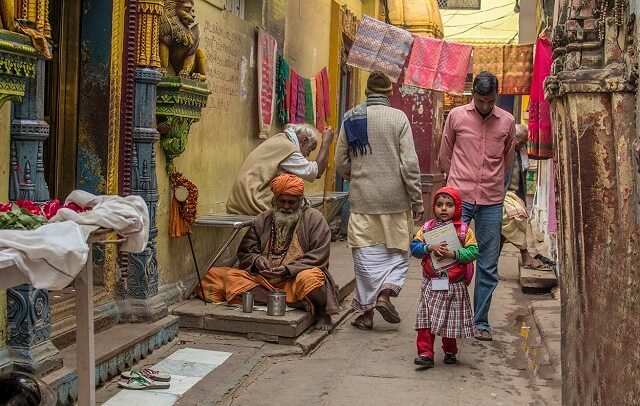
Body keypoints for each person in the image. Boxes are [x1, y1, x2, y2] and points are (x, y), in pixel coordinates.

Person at [335, 71, 424, 330]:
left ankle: (366, 314)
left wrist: (358, 176)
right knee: (397, 252)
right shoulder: (398, 118)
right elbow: (409, 164)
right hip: (395, 201)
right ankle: (385, 294)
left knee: (364, 255)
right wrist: (417, 201)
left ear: (366, 93)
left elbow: (341, 161)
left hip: (363, 200)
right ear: (389, 93)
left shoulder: (352, 117)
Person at [200, 174, 339, 330]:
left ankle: (321, 311)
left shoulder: (314, 219)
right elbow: (245, 252)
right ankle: (293, 302)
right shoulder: (263, 219)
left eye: (292, 202)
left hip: (295, 279)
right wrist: (256, 260)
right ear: (274, 201)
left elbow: (319, 257)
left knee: (310, 279)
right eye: (282, 201)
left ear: (301, 201)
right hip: (263, 281)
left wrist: (288, 269)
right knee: (211, 275)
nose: (286, 206)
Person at [438, 71, 516, 341]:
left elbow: (507, 162)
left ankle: (480, 322)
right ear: (474, 95)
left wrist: (495, 186)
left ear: (496, 96)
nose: (485, 106)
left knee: (487, 264)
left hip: (491, 201)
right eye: (481, 100)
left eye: (490, 100)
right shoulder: (456, 116)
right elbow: (445, 154)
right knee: (446, 257)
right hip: (458, 198)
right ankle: (444, 315)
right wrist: (453, 187)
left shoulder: (507, 122)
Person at [410, 187, 478, 368]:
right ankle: (425, 354)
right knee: (425, 318)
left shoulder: (464, 231)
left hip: (453, 285)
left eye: (449, 205)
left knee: (450, 320)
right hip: (431, 283)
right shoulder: (426, 228)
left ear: (457, 208)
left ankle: (450, 349)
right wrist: (428, 248)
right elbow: (414, 248)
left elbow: (473, 252)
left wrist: (454, 254)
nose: (443, 208)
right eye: (439, 204)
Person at [226, 124, 334, 215]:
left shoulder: (280, 140)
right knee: (301, 208)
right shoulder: (287, 148)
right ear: (304, 140)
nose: (307, 155)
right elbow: (316, 172)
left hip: (242, 199)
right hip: (252, 200)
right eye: (309, 150)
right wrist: (326, 143)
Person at [502, 125, 551, 270]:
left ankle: (523, 256)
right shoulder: (504, 150)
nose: (522, 145)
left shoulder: (520, 151)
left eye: (524, 142)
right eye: (520, 141)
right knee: (517, 221)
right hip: (504, 195)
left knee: (504, 231)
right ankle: (525, 255)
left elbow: (522, 173)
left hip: (515, 195)